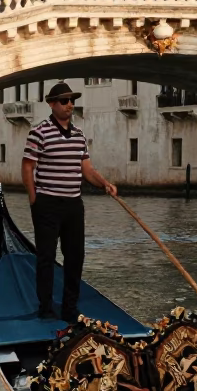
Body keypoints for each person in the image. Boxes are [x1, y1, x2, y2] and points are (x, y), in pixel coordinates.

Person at [22, 82, 117, 322]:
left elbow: (87, 169)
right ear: (51, 104)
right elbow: (27, 167)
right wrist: (35, 199)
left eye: (71, 100)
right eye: (64, 101)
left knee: (75, 258)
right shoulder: (39, 132)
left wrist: (105, 184)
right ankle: (45, 308)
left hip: (74, 206)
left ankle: (69, 308)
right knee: (45, 258)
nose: (69, 105)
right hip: (47, 204)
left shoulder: (79, 135)